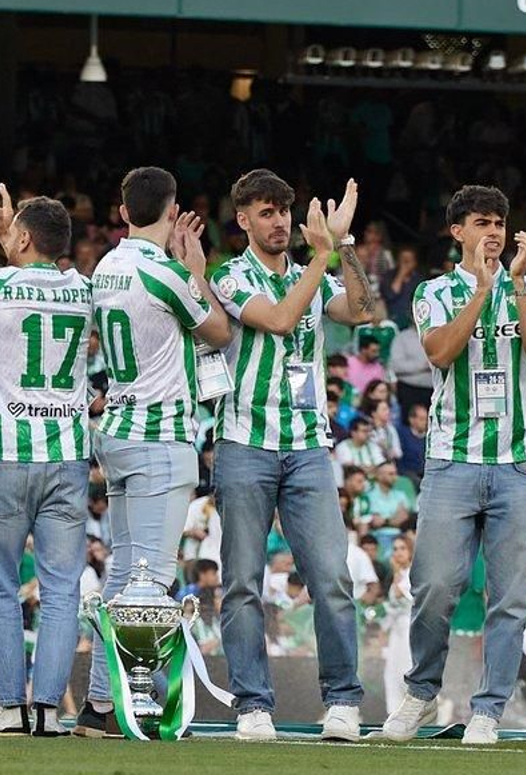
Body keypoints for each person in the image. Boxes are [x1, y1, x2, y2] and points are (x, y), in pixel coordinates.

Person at [381, 184, 526, 746]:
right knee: (434, 586)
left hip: (519, 464)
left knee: (510, 597)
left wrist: (519, 286)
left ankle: (488, 709)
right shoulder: (433, 291)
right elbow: (438, 352)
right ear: (457, 231)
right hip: (452, 461)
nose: (495, 232)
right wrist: (482, 291)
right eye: (482, 222)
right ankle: (421, 693)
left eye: (500, 222)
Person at [211, 171, 381, 741]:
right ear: (243, 220)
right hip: (244, 443)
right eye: (266, 212)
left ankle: (342, 702)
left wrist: (346, 248)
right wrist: (321, 256)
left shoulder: (316, 270)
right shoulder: (230, 275)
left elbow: (361, 311)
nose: (280, 222)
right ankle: (252, 705)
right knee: (242, 581)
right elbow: (282, 319)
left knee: (331, 576)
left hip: (308, 444)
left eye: (284, 211)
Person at [77, 166, 232, 737]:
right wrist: (196, 269)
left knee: (124, 576)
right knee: (151, 583)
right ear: (172, 215)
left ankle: (101, 704)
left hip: (116, 430)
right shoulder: (166, 272)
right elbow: (218, 332)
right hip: (159, 437)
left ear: (122, 213)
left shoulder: (106, 267)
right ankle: (144, 705)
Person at [0, 185, 91, 737]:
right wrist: (15, 240)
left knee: (0, 586)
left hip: (7, 456)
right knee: (60, 588)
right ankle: (50, 710)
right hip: (69, 457)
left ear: (21, 237)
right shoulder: (83, 288)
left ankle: (9, 708)